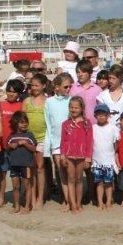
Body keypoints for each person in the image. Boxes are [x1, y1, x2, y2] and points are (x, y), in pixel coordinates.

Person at [59, 96, 93, 213]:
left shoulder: (87, 124)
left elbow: (89, 141)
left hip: (82, 156)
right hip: (69, 156)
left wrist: (88, 158)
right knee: (71, 179)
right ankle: (72, 205)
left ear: (82, 109)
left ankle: (79, 203)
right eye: (71, 107)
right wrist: (62, 156)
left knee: (79, 180)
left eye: (76, 107)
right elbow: (63, 141)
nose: (73, 110)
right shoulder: (65, 124)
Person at [45, 73, 73, 209]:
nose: (68, 89)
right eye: (66, 86)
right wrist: (50, 144)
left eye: (70, 86)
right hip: (56, 142)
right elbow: (48, 124)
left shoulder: (72, 100)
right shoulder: (49, 102)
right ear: (56, 87)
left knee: (71, 173)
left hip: (71, 142)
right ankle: (67, 201)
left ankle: (73, 200)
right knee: (62, 173)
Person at [0, 79, 24, 208]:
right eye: (8, 91)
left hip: (17, 147)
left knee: (17, 175)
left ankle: (18, 199)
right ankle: (1, 197)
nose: (10, 94)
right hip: (2, 145)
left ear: (19, 93)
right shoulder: (0, 105)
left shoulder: (22, 106)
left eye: (14, 92)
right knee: (2, 173)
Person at [23, 73, 49, 209]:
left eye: (37, 85)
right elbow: (22, 120)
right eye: (32, 85)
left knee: (40, 168)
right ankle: (31, 196)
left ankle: (40, 198)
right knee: (30, 169)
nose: (34, 88)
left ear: (44, 86)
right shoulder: (27, 101)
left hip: (42, 138)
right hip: (29, 138)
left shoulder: (48, 101)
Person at [7, 111, 36, 214]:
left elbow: (34, 149)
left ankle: (27, 206)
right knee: (15, 186)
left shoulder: (29, 135)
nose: (24, 124)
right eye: (21, 122)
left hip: (26, 164)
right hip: (14, 164)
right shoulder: (11, 136)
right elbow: (8, 147)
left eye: (26, 122)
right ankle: (16, 205)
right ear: (15, 123)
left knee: (27, 185)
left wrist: (25, 144)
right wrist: (11, 146)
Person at [92, 103, 120, 210]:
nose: (101, 116)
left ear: (108, 115)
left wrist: (113, 154)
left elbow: (116, 143)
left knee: (108, 183)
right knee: (99, 183)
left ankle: (108, 201)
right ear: (95, 116)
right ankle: (100, 202)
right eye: (98, 114)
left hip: (109, 161)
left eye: (103, 114)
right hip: (96, 161)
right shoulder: (93, 128)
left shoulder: (113, 128)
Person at [70, 60, 101, 125]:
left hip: (93, 126)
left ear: (90, 73)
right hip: (76, 125)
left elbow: (100, 109)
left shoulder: (97, 90)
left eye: (83, 72)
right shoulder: (71, 88)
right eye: (78, 72)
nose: (80, 75)